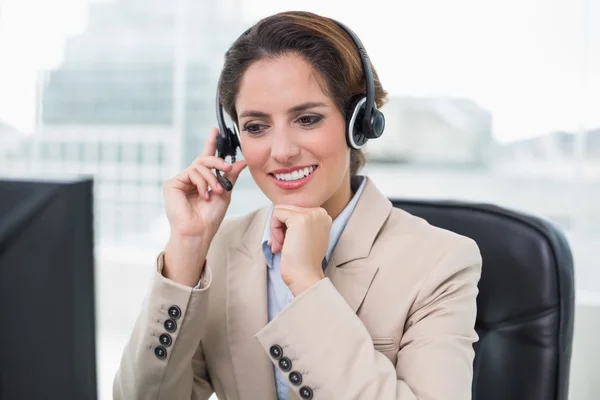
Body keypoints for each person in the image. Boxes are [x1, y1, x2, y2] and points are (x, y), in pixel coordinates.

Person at [113, 10, 482, 400]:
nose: (283, 151)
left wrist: (308, 284)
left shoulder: (440, 262)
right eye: (256, 127)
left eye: (307, 119)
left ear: (359, 123)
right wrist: (187, 247)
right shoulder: (221, 250)